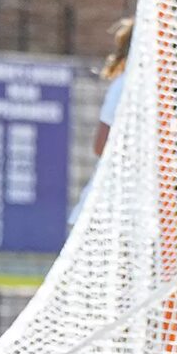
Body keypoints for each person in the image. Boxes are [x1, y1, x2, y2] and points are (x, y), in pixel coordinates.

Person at [68, 18, 131, 228]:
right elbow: (101, 145)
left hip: (138, 218)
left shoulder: (175, 95)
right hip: (106, 215)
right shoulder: (125, 86)